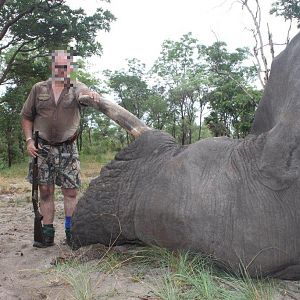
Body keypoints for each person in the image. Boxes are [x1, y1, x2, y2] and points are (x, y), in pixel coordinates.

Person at [21, 49, 100, 248]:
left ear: (70, 68)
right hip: (42, 149)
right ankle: (46, 233)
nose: (61, 69)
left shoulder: (76, 87)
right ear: (52, 66)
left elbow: (85, 94)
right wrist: (29, 141)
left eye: (65, 66)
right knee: (45, 191)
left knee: (70, 192)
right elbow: (27, 116)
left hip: (68, 148)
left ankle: (70, 232)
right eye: (58, 65)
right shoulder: (38, 89)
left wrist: (92, 95)